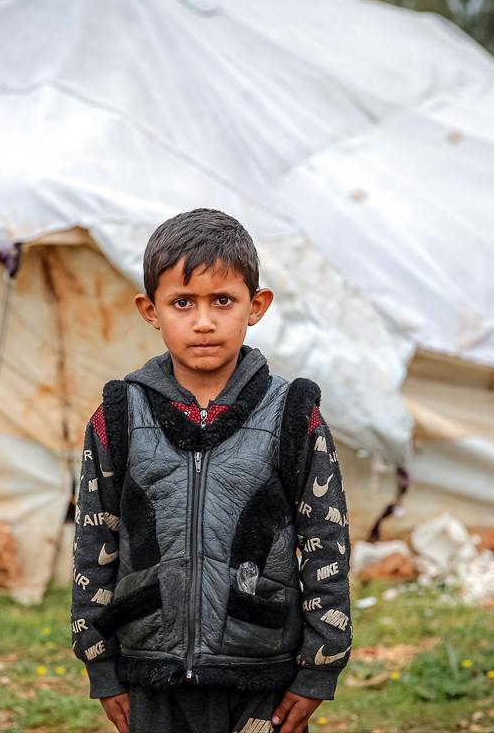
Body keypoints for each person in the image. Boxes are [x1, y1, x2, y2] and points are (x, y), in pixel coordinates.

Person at [70, 208, 352, 733]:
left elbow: (325, 541)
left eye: (223, 300)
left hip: (260, 671)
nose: (203, 321)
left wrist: (319, 668)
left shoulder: (293, 414)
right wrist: (100, 663)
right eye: (183, 303)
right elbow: (95, 539)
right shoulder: (118, 415)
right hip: (152, 673)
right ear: (150, 310)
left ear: (257, 305)